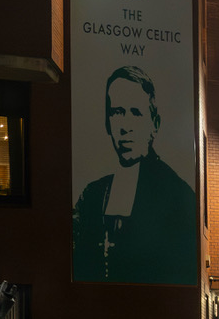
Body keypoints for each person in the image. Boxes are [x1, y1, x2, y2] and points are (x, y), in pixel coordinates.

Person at [72, 65, 196, 284]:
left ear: (155, 124)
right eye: (117, 112)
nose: (125, 126)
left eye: (135, 113)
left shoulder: (178, 196)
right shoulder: (92, 195)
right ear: (107, 123)